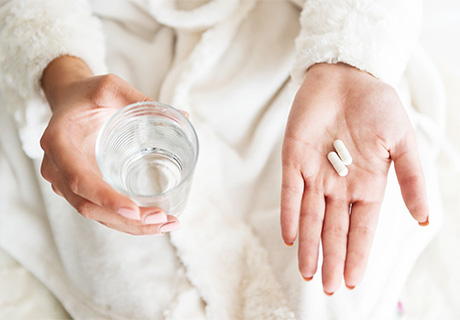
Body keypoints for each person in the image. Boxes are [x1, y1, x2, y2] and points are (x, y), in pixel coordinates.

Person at [0, 0, 442, 319]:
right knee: (134, 287)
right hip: (106, 55)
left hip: (301, 43)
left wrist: (351, 61)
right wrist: (62, 77)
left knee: (334, 287)